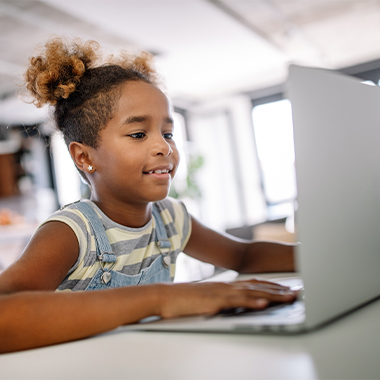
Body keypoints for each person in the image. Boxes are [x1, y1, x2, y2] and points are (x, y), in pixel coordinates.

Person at [0, 37, 296, 353]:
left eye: (167, 133)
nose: (164, 147)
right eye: (139, 134)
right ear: (85, 157)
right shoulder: (72, 231)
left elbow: (243, 256)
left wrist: (329, 257)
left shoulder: (170, 219)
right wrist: (159, 298)